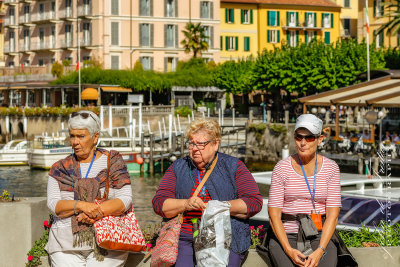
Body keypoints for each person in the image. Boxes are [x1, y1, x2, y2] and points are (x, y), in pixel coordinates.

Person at [152, 118, 263, 267]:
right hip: (186, 237)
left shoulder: (233, 166)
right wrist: (186, 203)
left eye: (201, 144)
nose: (195, 148)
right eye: (191, 143)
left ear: (215, 144)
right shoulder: (178, 167)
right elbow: (159, 204)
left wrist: (219, 206)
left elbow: (254, 202)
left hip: (225, 238)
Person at [46, 111, 132, 266]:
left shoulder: (113, 162)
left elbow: (124, 200)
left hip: (107, 244)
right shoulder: (59, 168)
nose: (75, 142)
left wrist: (97, 212)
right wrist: (82, 206)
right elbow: (54, 205)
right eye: (72, 136)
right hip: (64, 247)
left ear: (96, 137)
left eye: (81, 136)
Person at [268, 114, 341, 267]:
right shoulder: (281, 168)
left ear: (320, 139)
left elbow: (332, 215)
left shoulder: (331, 168)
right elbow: (274, 215)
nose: (302, 143)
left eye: (309, 138)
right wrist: (288, 250)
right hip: (287, 235)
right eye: (298, 137)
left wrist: (320, 250)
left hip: (319, 235)